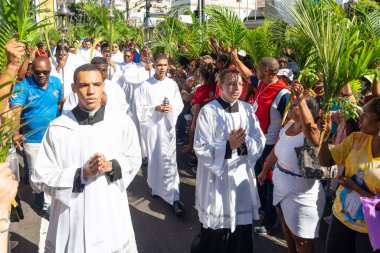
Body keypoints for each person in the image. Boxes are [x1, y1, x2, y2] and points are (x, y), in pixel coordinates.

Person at [31, 64, 141, 253]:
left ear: (103, 86)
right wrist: (81, 174)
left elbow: (133, 158)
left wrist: (111, 166)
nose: (91, 91)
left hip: (110, 210)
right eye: (83, 85)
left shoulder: (121, 121)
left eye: (96, 84)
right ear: (74, 88)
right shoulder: (59, 128)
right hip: (72, 213)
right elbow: (40, 177)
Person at [193, 68, 265, 253]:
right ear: (220, 85)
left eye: (240, 84)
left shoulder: (248, 110)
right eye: (231, 83)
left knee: (240, 233)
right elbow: (200, 146)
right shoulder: (208, 111)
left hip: (240, 178)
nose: (236, 88)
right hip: (216, 180)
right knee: (215, 232)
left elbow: (259, 139)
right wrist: (228, 146)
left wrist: (242, 144)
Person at [258, 82, 325, 253]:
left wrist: (301, 98)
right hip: (280, 185)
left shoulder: (310, 137)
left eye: (295, 105)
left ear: (306, 112)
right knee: (286, 227)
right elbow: (276, 150)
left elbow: (309, 171)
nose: (291, 107)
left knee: (301, 239)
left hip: (299, 192)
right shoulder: (287, 126)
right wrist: (265, 170)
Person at [232, 53, 291, 235]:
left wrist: (279, 147)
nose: (255, 72)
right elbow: (247, 74)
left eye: (258, 69)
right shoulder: (263, 83)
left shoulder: (283, 94)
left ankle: (271, 221)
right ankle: (260, 208)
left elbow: (287, 123)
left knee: (270, 182)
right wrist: (234, 58)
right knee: (258, 177)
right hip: (256, 142)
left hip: (271, 145)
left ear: (266, 71)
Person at [318, 97, 380, 253]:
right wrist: (324, 137)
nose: (360, 117)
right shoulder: (356, 139)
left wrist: (355, 188)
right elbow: (325, 161)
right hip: (341, 217)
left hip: (369, 228)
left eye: (365, 115)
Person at [10, 57, 63, 219]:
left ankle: (48, 202)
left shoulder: (56, 83)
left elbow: (60, 103)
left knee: (53, 169)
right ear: (32, 70)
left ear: (50, 71)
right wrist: (15, 133)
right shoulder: (23, 87)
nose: (41, 75)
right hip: (32, 139)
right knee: (35, 172)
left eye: (45, 72)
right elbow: (15, 111)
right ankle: (38, 193)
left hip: (54, 137)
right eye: (37, 72)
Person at [134, 54, 185, 215]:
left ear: (168, 66)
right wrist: (154, 108)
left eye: (164, 65)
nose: (162, 68)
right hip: (153, 128)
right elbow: (140, 108)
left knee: (169, 161)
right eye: (159, 65)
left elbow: (179, 105)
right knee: (155, 158)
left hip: (168, 128)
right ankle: (155, 187)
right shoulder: (145, 86)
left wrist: (171, 109)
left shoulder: (172, 84)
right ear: (154, 66)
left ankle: (173, 197)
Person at [63, 57, 128, 114]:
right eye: (98, 70)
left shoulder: (115, 87)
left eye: (104, 70)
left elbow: (123, 107)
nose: (101, 73)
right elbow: (67, 110)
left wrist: (106, 104)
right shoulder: (80, 88)